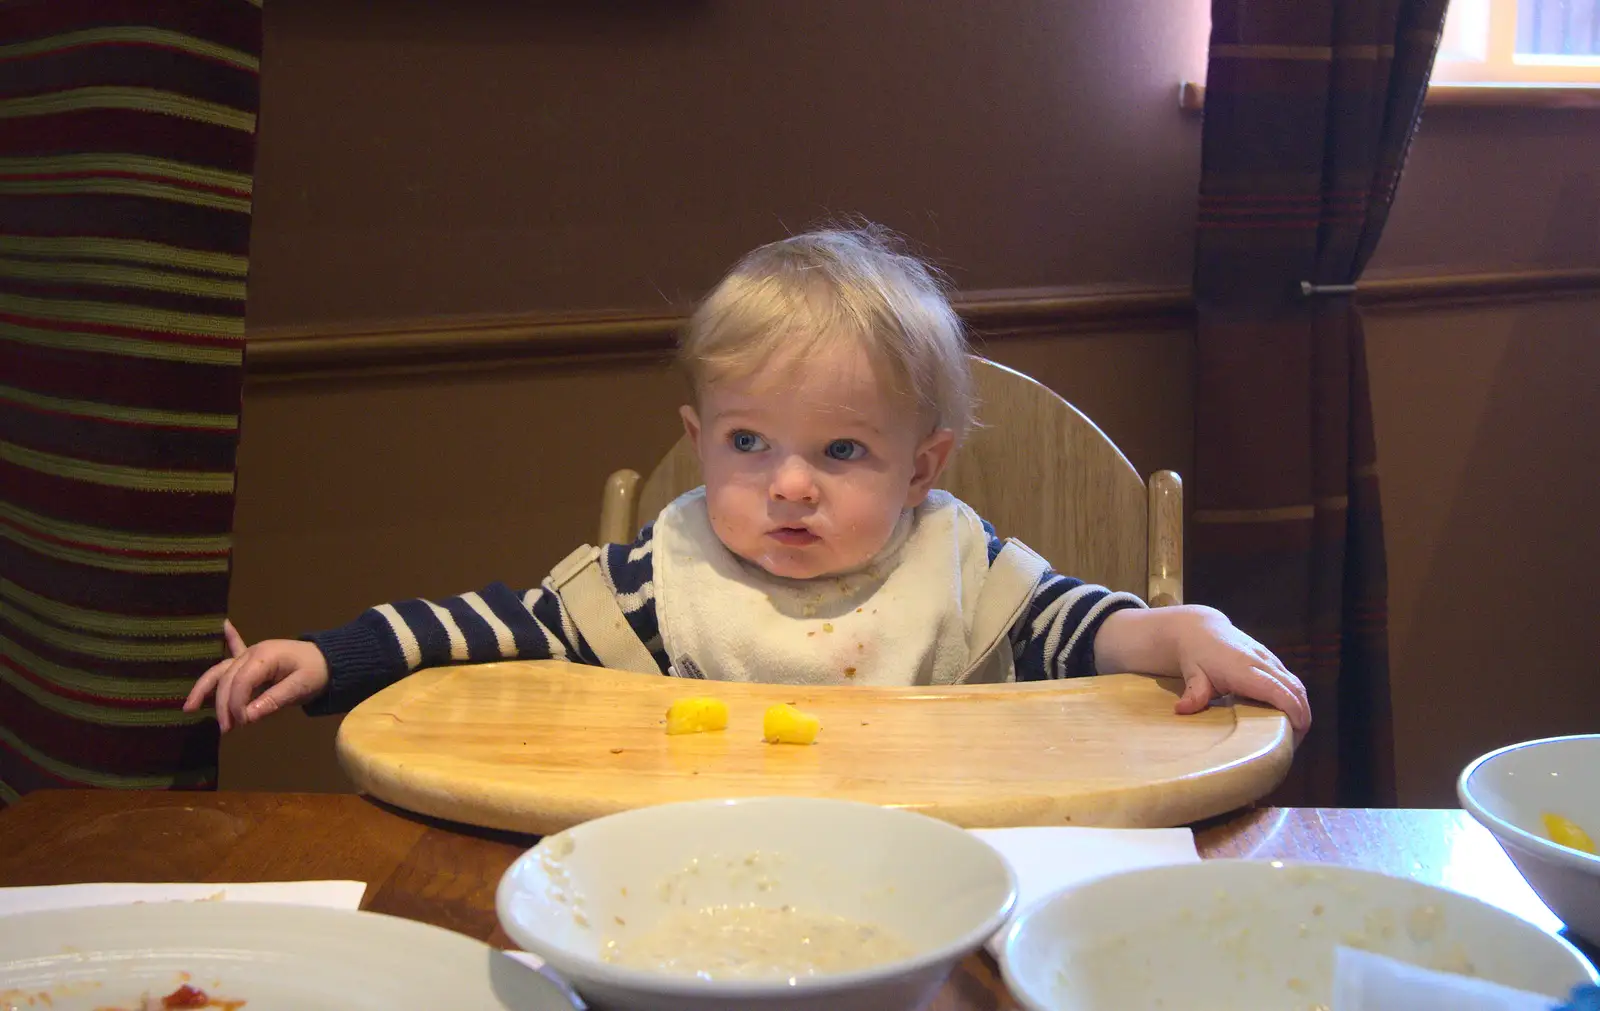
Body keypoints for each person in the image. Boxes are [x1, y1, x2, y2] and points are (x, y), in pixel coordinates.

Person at [185, 225, 1310, 737]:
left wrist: (1178, 629)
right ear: (698, 435)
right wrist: (334, 656)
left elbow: (1082, 631)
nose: (787, 488)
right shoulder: (655, 581)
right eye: (747, 446)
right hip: (691, 875)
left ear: (923, 470)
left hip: (932, 878)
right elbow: (495, 628)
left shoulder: (955, 569)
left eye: (840, 453)